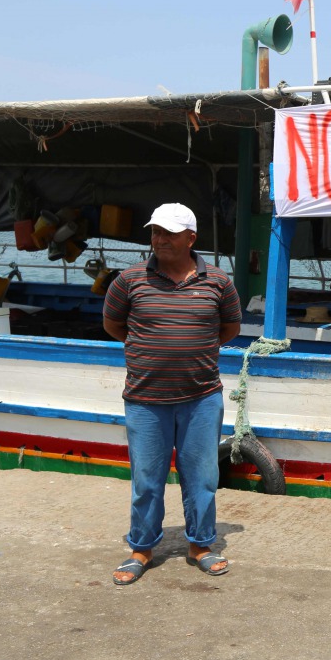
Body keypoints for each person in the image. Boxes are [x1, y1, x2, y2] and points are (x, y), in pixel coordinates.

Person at [103, 203, 241, 585]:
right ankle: (141, 549)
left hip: (201, 398)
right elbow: (113, 324)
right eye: (155, 232)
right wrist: (153, 349)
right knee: (147, 479)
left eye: (169, 233)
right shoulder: (129, 280)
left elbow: (229, 328)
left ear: (191, 238)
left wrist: (189, 347)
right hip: (146, 399)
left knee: (202, 477)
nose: (159, 239)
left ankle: (200, 545)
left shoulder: (218, 282)